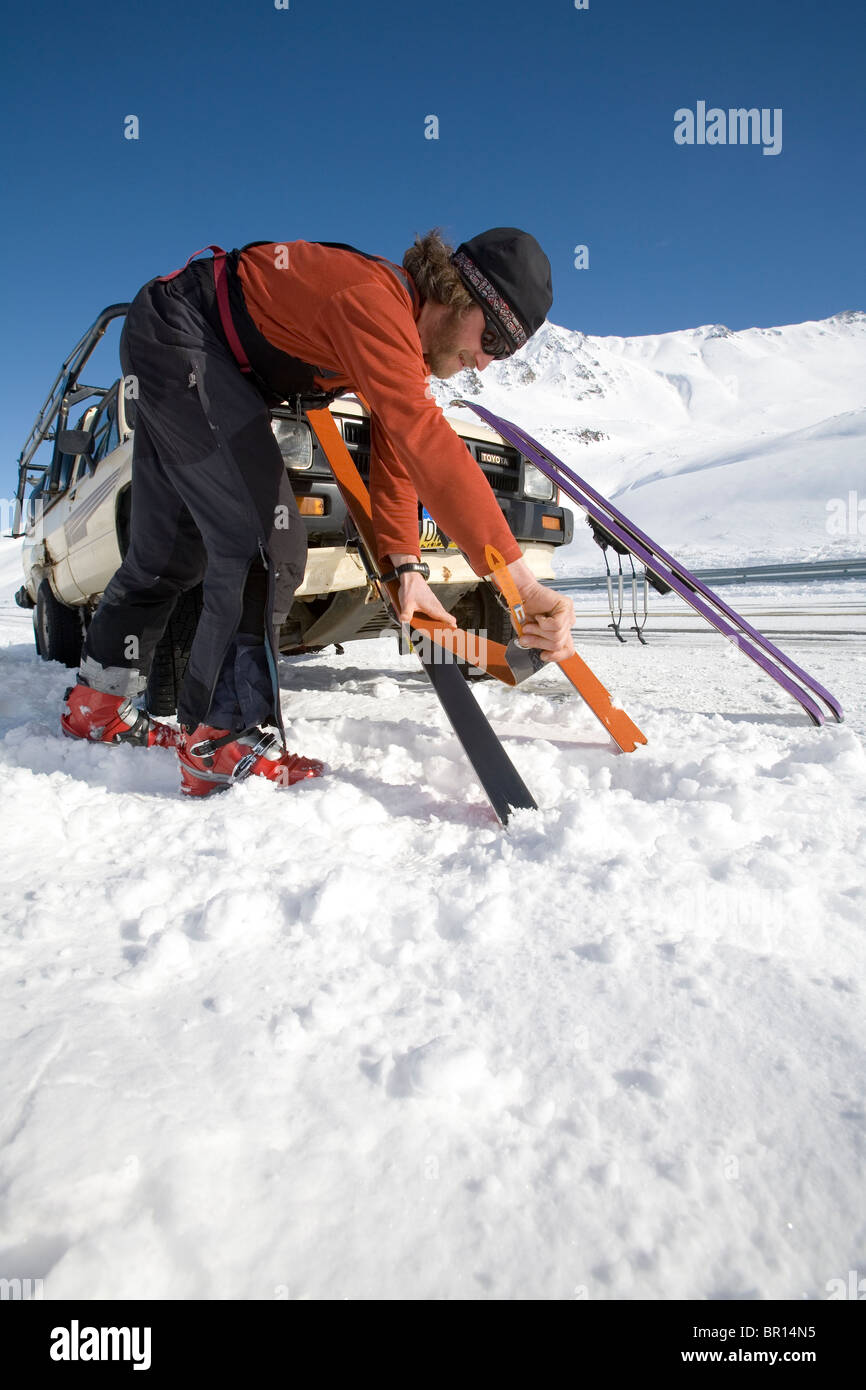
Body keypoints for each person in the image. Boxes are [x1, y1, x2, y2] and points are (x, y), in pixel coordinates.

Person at [60, 227, 576, 796]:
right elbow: (422, 437)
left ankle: (96, 703)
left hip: (173, 339)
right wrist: (522, 585)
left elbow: (397, 447)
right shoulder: (373, 300)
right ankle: (221, 737)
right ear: (460, 294)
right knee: (267, 543)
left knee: (167, 554)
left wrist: (406, 566)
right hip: (185, 337)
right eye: (493, 340)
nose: (484, 362)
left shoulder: (397, 326)